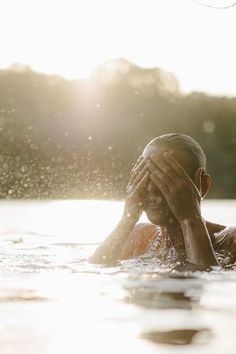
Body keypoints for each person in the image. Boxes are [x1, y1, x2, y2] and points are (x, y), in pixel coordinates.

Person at [89, 133, 236, 269]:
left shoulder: (230, 241)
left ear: (203, 186)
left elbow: (204, 279)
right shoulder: (140, 237)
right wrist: (127, 218)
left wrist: (190, 219)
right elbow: (96, 270)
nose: (152, 189)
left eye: (166, 178)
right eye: (146, 176)